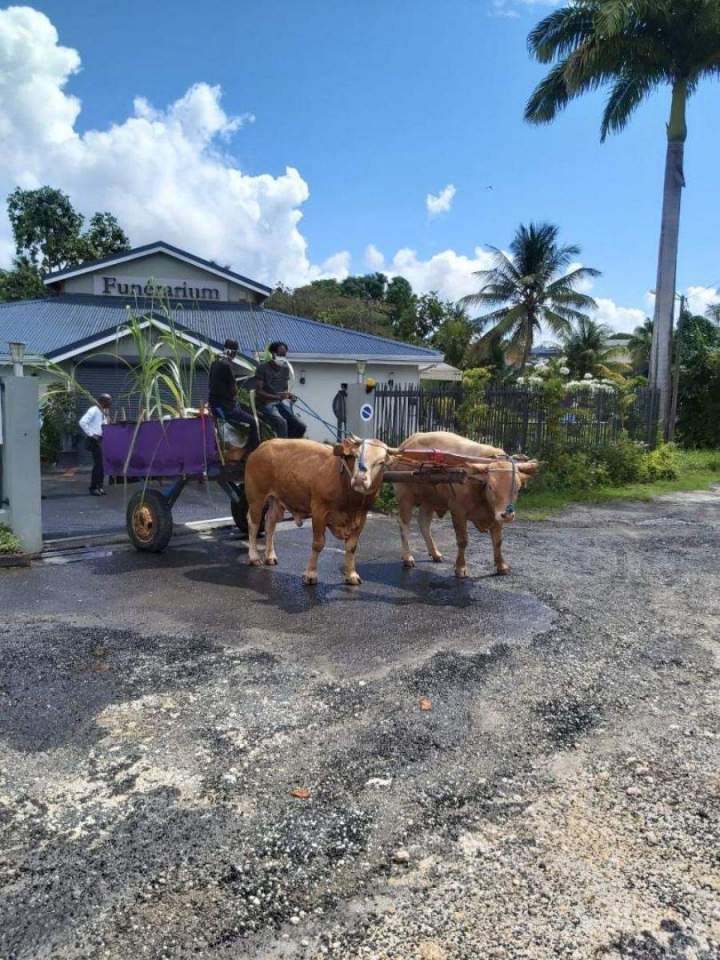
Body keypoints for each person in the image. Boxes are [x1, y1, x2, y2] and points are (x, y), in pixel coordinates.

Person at [208, 338, 260, 453]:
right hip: (226, 408)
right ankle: (252, 452)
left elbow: (212, 385)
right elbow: (233, 391)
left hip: (215, 405)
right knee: (253, 421)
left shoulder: (215, 363)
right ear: (234, 352)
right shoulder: (227, 366)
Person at [254, 341, 306, 439]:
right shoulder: (262, 368)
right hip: (265, 404)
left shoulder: (285, 369)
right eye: (280, 355)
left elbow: (284, 390)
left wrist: (289, 396)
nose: (283, 358)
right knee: (282, 422)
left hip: (279, 404)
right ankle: (282, 450)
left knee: (301, 426)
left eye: (284, 355)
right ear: (273, 354)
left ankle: (291, 446)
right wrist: (277, 397)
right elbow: (259, 392)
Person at [79, 393, 112, 496]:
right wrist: (91, 434)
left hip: (101, 440)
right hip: (94, 440)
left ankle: (100, 487)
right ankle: (93, 488)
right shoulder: (93, 410)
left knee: (102, 464)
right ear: (102, 401)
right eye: (108, 401)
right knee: (98, 464)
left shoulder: (104, 411)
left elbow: (103, 425)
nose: (110, 403)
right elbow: (82, 422)